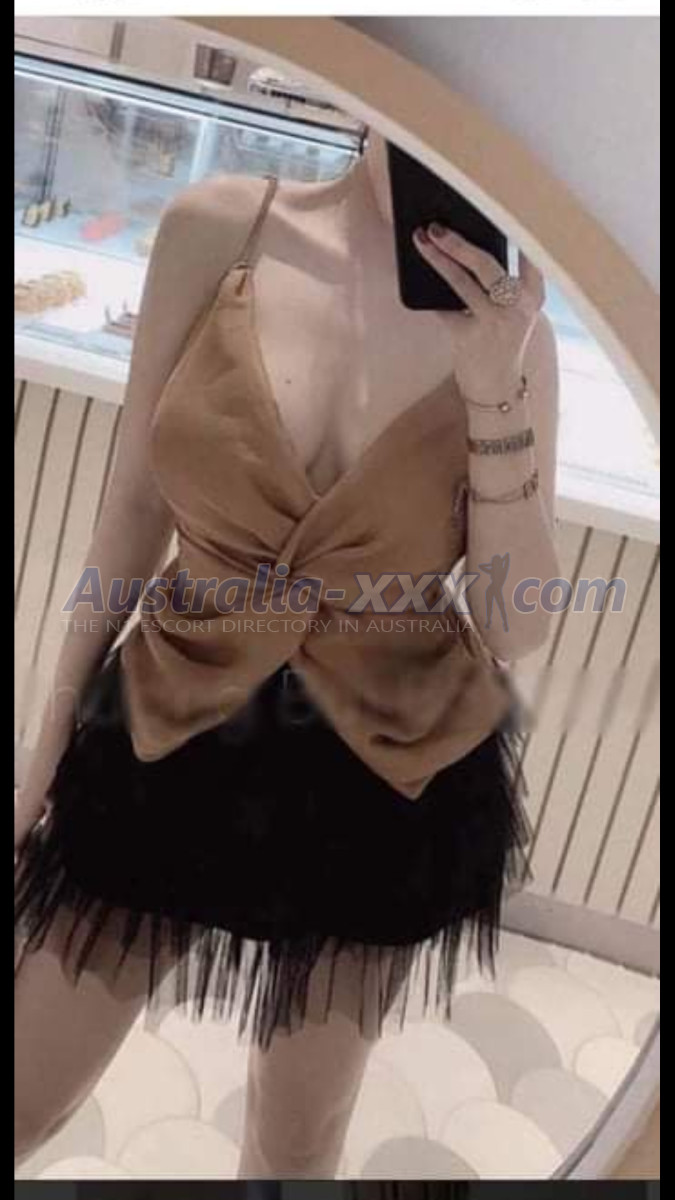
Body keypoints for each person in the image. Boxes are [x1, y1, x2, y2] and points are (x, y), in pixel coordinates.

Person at [14, 126, 560, 1177]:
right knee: (27, 1088)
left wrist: (494, 385)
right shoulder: (220, 227)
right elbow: (132, 510)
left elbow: (514, 622)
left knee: (294, 1143)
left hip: (387, 766)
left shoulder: (509, 325)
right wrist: (43, 756)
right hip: (170, 715)